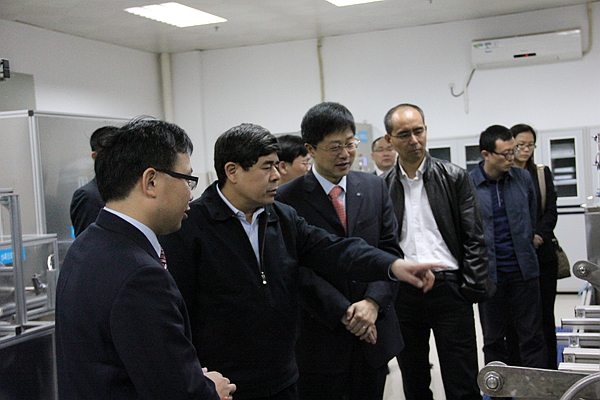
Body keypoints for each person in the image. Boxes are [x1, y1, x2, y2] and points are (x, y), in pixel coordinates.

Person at [160, 122, 440, 400]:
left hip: (283, 376)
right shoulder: (191, 225)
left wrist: (392, 266)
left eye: (277, 165)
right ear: (232, 171)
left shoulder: (281, 217)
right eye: (266, 167)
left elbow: (335, 250)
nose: (276, 176)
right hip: (226, 383)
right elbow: (177, 311)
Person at [55, 117, 236, 400]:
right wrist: (210, 389)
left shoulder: (88, 244)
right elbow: (176, 393)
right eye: (187, 180)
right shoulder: (140, 275)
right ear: (151, 181)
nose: (191, 195)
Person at [276, 102, 403, 400]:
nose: (345, 154)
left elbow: (389, 251)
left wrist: (372, 303)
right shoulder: (286, 199)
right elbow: (295, 267)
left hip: (374, 333)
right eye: (334, 147)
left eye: (350, 143)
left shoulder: (374, 187)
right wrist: (345, 312)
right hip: (321, 338)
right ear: (310, 149)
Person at [383, 103, 493, 400]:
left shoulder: (454, 177)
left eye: (418, 131)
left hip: (449, 289)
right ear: (389, 139)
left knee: (462, 379)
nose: (414, 140)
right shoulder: (382, 187)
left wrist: (470, 288)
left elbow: (474, 236)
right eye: (404, 134)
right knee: (414, 379)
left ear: (426, 130)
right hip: (405, 293)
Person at [470, 125, 547, 374]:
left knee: (532, 336)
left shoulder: (523, 178)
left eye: (513, 151)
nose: (512, 157)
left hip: (524, 271)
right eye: (505, 153)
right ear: (486, 154)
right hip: (489, 275)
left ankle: (535, 388)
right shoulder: (469, 184)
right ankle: (498, 388)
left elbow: (531, 216)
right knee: (493, 339)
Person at [507, 123, 559, 369]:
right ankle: (518, 369)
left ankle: (549, 369)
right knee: (516, 319)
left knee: (545, 314)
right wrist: (525, 236)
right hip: (514, 257)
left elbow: (550, 211)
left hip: (542, 253)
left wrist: (538, 234)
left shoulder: (540, 173)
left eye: (530, 145)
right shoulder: (503, 174)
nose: (526, 150)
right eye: (520, 145)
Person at [70, 125, 118, 237]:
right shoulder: (88, 196)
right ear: (95, 157)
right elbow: (88, 242)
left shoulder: (127, 190)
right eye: (112, 154)